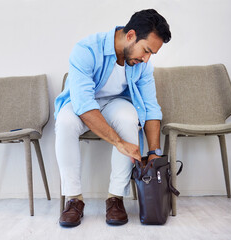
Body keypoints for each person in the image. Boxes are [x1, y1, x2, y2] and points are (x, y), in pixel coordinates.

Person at [54, 9, 171, 227]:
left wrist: (154, 153)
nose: (146, 59)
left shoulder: (143, 65)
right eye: (146, 50)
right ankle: (73, 200)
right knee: (65, 122)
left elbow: (151, 107)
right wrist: (119, 143)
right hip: (81, 103)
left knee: (129, 117)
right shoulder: (86, 49)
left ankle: (115, 198)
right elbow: (84, 105)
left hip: (114, 103)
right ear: (130, 36)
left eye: (150, 55)